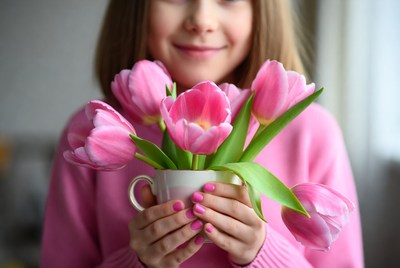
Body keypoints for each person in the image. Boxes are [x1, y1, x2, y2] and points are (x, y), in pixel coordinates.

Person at [40, 0, 364, 267]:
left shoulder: (311, 133)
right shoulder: (96, 132)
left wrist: (263, 253)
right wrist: (136, 262)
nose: (201, 20)